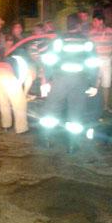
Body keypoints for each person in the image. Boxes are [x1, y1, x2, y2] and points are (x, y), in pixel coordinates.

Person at [39, 14, 99, 153]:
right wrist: (93, 84)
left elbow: (49, 60)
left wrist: (47, 80)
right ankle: (72, 145)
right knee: (76, 112)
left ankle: (46, 139)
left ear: (67, 25)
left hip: (60, 80)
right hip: (79, 81)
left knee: (52, 109)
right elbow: (93, 64)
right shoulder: (86, 42)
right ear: (79, 25)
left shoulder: (59, 40)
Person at [0, 54, 33, 134]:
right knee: (20, 103)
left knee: (4, 100)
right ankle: (22, 129)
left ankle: (6, 125)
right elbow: (28, 81)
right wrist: (24, 94)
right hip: (6, 73)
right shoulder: (29, 66)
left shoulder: (14, 60)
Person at [89, 11, 112, 113]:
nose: (93, 23)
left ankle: (106, 106)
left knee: (106, 85)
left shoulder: (110, 31)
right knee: (94, 84)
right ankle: (94, 106)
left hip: (107, 61)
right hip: (95, 62)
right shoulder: (91, 33)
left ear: (101, 21)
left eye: (95, 21)